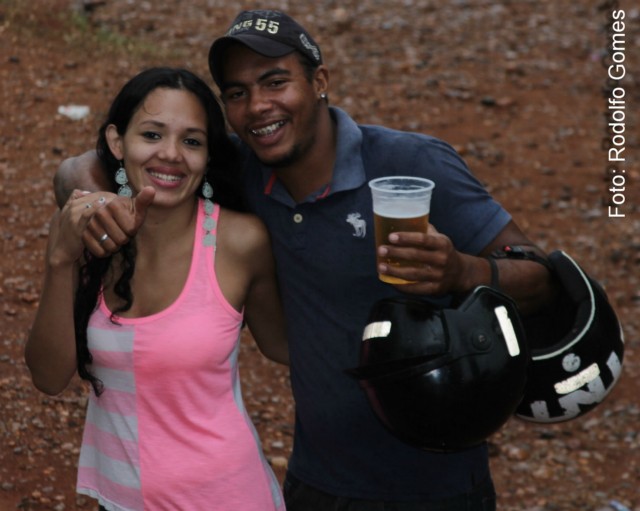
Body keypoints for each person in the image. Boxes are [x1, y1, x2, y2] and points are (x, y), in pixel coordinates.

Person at [54, 11, 558, 511]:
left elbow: (541, 274)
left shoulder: (411, 165)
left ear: (320, 81)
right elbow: (82, 164)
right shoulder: (243, 172)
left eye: (275, 82)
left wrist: (463, 272)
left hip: (436, 483)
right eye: (237, 93)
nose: (258, 106)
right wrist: (99, 203)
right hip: (318, 483)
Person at [26, 67, 287, 511]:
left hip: (227, 497)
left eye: (191, 141)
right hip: (121, 501)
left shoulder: (240, 241)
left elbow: (286, 347)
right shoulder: (90, 234)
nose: (170, 155)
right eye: (151, 134)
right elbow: (49, 377)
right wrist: (59, 259)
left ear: (207, 156)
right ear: (116, 142)